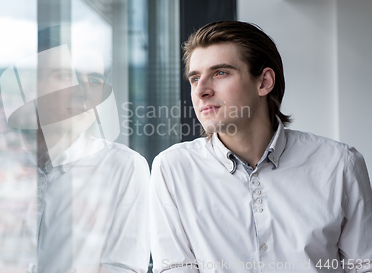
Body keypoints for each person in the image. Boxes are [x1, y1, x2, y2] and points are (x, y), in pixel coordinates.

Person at [149, 21, 372, 273]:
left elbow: (363, 266)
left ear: (264, 82)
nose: (201, 91)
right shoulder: (172, 169)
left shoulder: (339, 163)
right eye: (195, 78)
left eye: (220, 73)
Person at [0, 27, 150, 273]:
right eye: (65, 76)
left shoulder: (123, 168)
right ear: (33, 85)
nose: (83, 93)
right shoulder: (3, 165)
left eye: (94, 81)